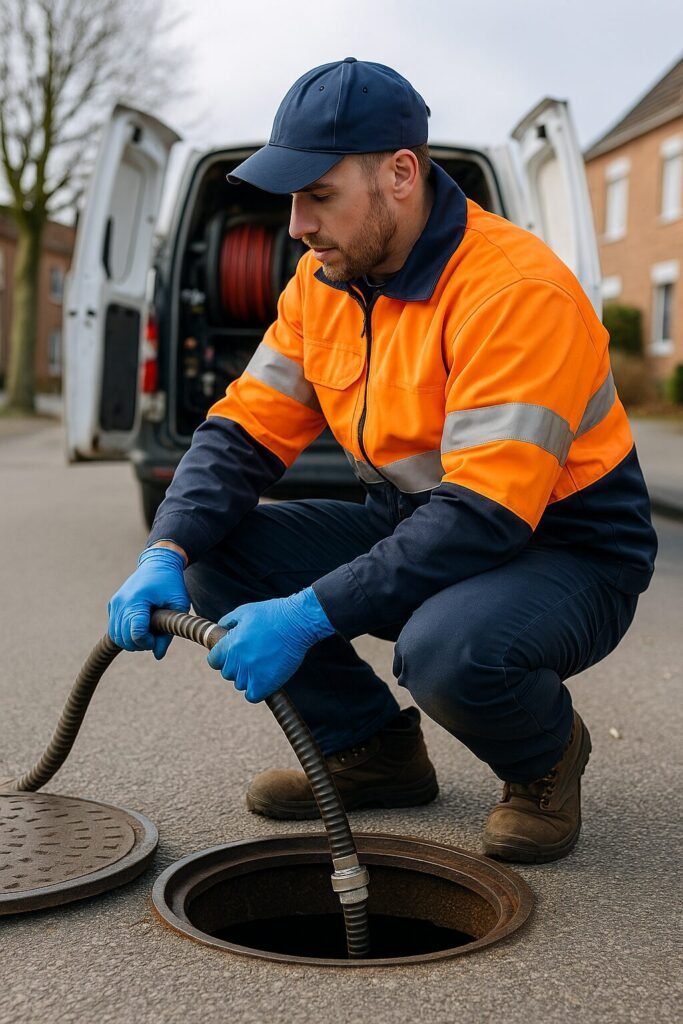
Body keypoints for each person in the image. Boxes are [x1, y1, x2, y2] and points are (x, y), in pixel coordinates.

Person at [108, 59, 657, 864]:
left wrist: (305, 615)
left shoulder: (514, 291)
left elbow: (483, 513)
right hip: (416, 519)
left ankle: (543, 760)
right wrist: (167, 546)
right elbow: (241, 430)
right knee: (210, 553)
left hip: (562, 548)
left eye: (318, 196)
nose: (296, 224)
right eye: (292, 199)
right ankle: (372, 750)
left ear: (400, 173)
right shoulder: (324, 281)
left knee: (446, 649)